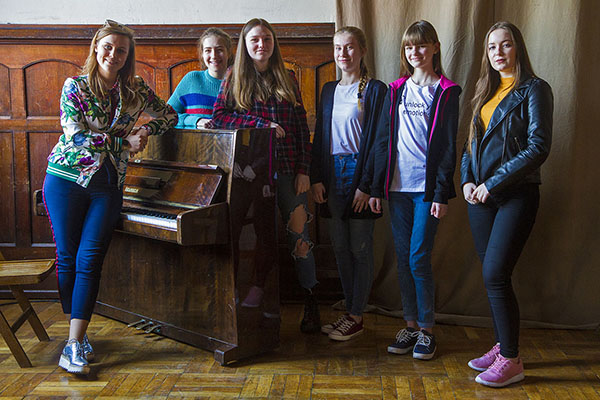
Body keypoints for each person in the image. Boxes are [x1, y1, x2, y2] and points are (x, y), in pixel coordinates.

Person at [43, 19, 177, 374]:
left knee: (90, 258)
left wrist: (146, 128)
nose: (113, 54)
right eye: (108, 47)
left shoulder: (135, 89)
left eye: (121, 50)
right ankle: (76, 335)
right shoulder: (74, 86)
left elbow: (170, 116)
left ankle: (73, 343)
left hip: (108, 183)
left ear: (128, 56)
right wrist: (123, 142)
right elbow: (74, 135)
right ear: (96, 48)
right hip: (65, 179)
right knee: (67, 257)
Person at [211, 18, 320, 333]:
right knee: (257, 234)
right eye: (255, 40)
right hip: (249, 175)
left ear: (274, 43)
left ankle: (310, 301)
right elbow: (219, 117)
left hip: (288, 171)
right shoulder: (234, 76)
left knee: (299, 237)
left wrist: (304, 170)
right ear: (245, 45)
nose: (261, 45)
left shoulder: (288, 77)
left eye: (267, 39)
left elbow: (300, 127)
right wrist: (262, 126)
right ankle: (251, 294)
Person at [461, 21, 553, 387]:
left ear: (518, 48)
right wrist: (467, 180)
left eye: (506, 45)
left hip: (516, 194)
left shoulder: (535, 89)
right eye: (492, 47)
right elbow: (470, 144)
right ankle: (504, 345)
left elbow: (538, 147)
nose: (498, 52)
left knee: (495, 274)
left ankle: (512, 360)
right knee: (492, 277)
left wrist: (492, 183)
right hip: (480, 198)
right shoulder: (485, 90)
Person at [369, 20, 461, 360]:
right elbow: (382, 141)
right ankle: (409, 326)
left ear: (435, 47)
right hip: (396, 189)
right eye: (409, 47)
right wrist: (376, 187)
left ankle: (427, 331)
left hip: (426, 190)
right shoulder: (395, 90)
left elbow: (448, 147)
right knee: (403, 258)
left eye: (421, 45)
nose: (415, 52)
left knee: (418, 258)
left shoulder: (446, 91)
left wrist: (440, 193)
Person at [310, 26, 386, 341]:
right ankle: (350, 310)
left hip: (359, 173)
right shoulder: (329, 89)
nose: (343, 53)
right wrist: (316, 177)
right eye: (338, 47)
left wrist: (368, 186)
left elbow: (380, 142)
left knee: (360, 247)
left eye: (350, 47)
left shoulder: (376, 90)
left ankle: (356, 316)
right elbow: (321, 137)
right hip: (332, 173)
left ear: (362, 51)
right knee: (340, 247)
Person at [168, 28, 233, 129]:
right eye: (208, 50)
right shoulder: (192, 79)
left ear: (228, 52)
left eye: (219, 50)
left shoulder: (239, 84)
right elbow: (167, 116)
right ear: (202, 54)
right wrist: (195, 120)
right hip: (193, 139)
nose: (214, 56)